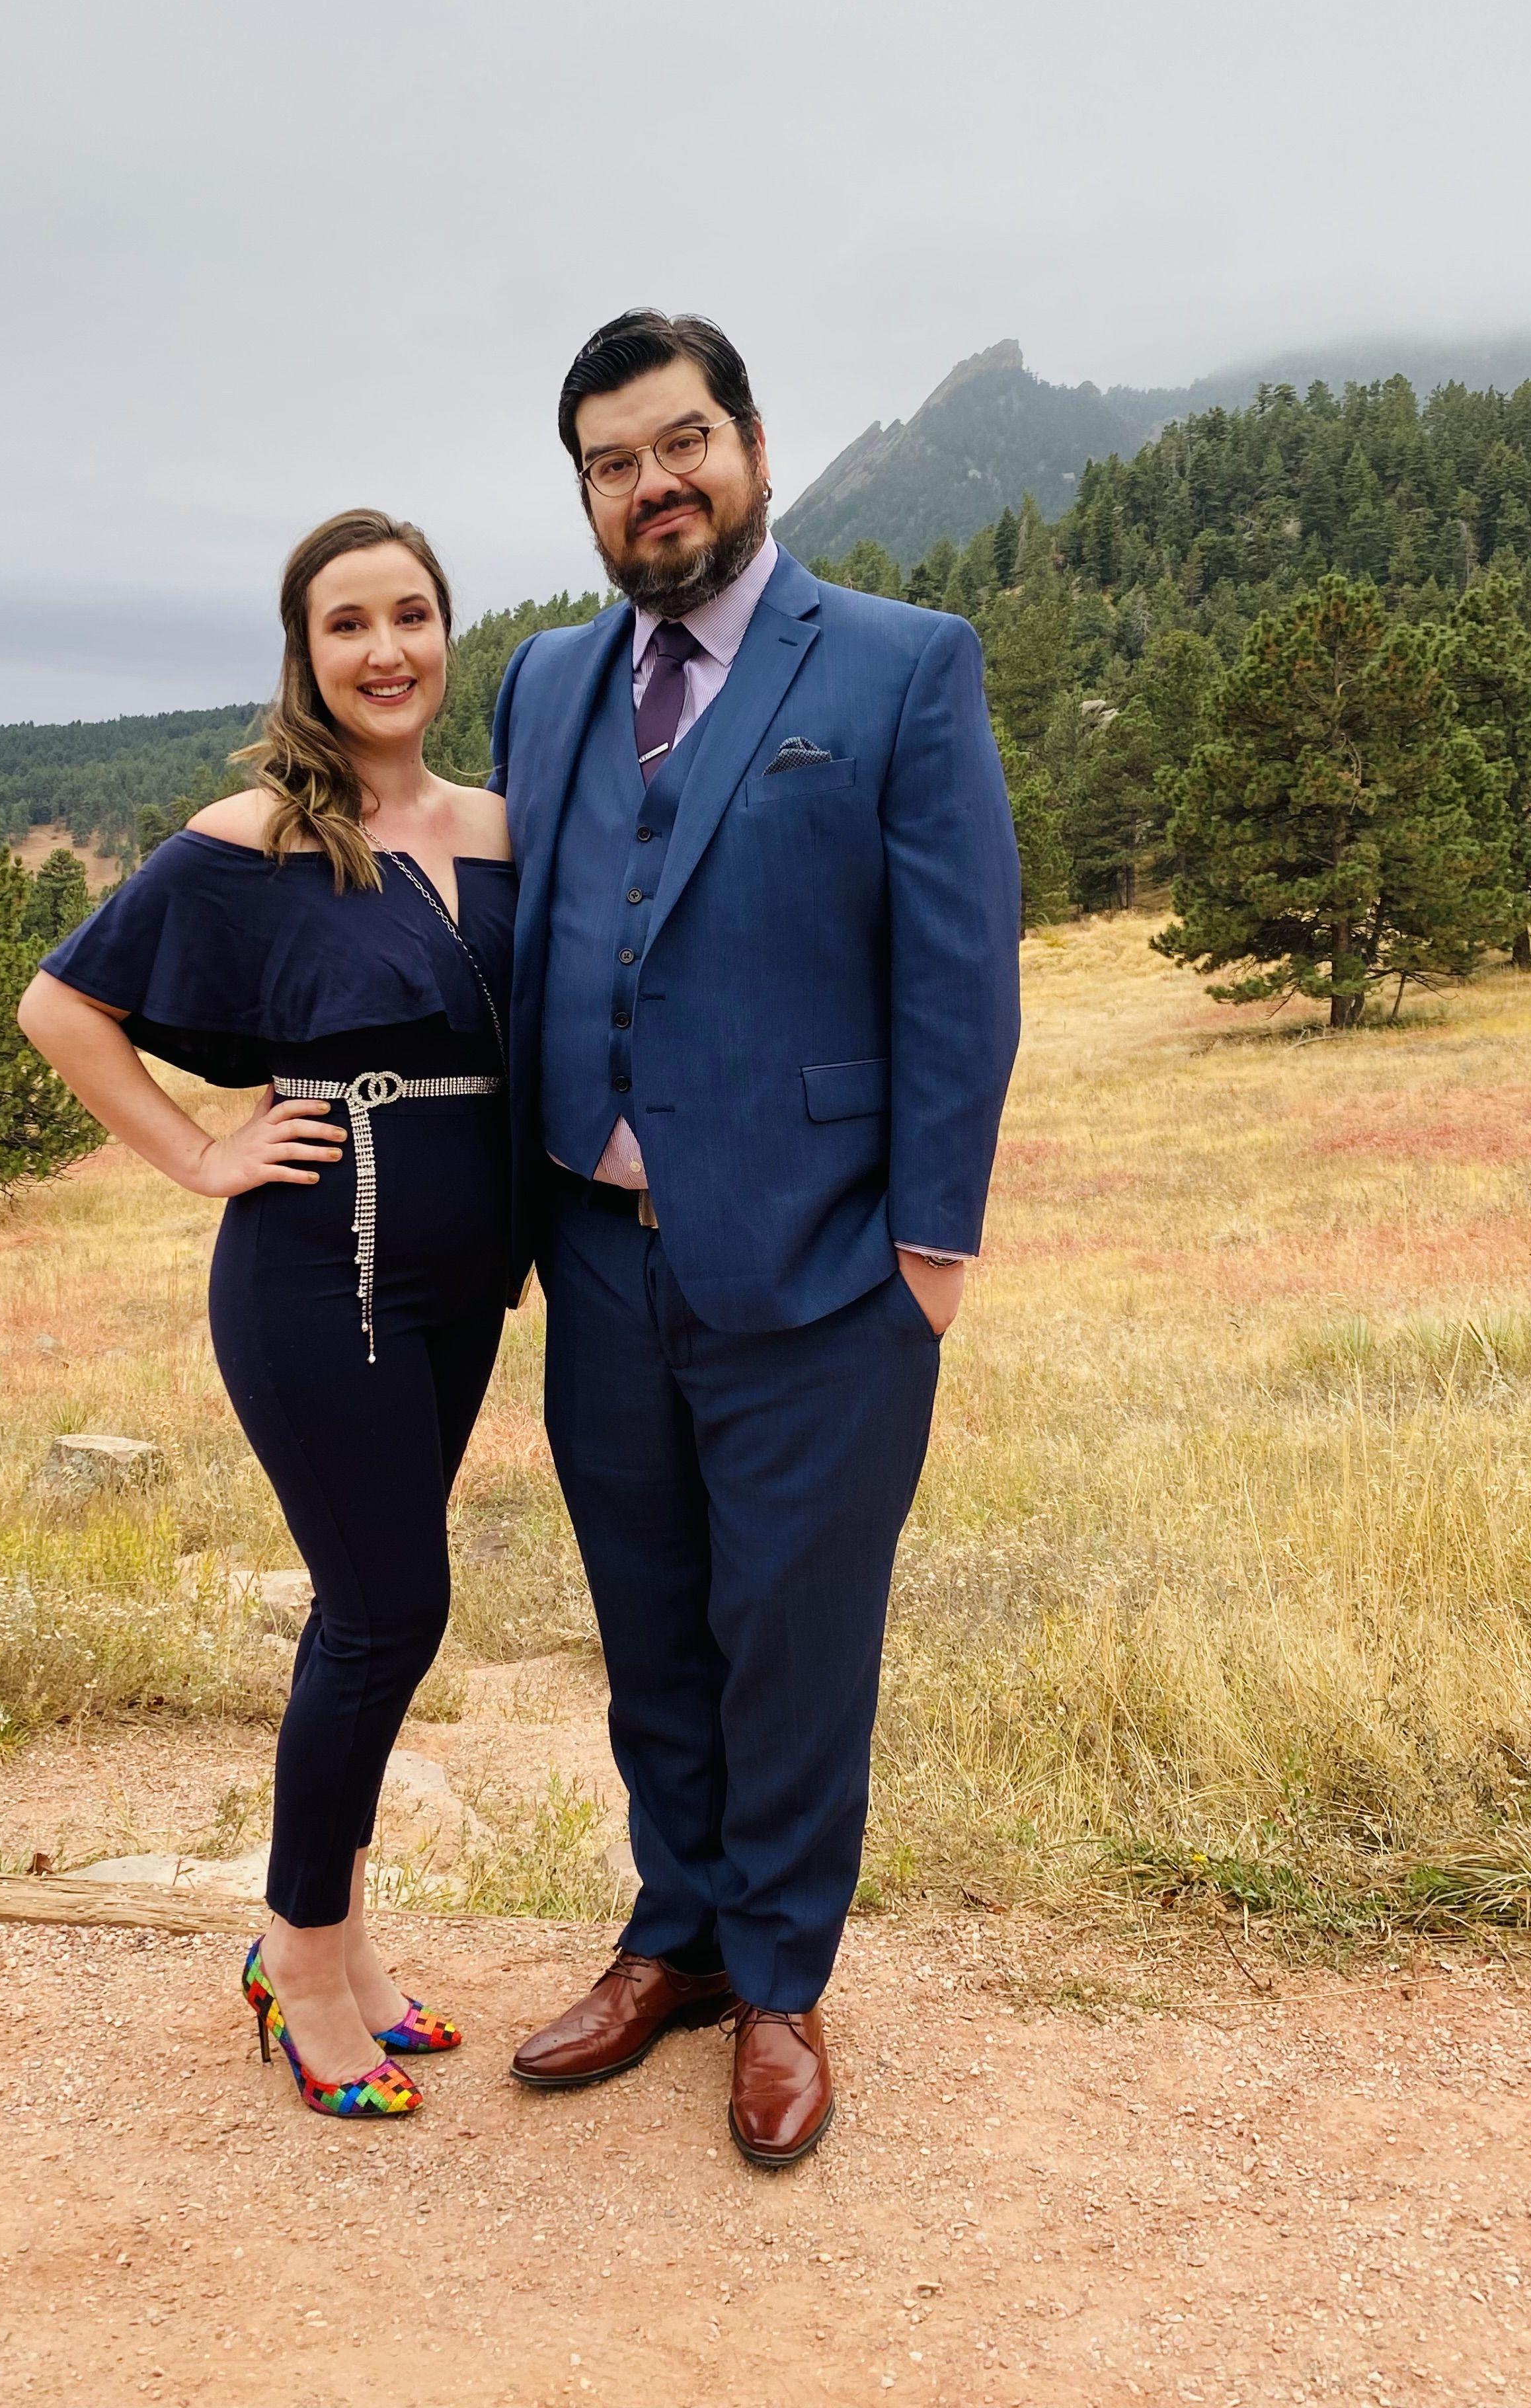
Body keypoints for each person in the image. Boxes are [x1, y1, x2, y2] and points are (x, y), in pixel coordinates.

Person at [490, 311, 1022, 2166]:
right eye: (613, 463)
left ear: (754, 443)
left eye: (682, 442)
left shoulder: (898, 663)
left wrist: (929, 1253)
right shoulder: (544, 683)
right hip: (600, 1257)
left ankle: (782, 1979)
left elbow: (960, 974)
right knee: (651, 1628)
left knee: (793, 1637)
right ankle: (680, 1937)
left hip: (825, 1264)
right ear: (585, 495)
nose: (655, 484)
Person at [17, 508, 514, 2122]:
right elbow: (60, 1006)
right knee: (387, 1608)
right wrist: (199, 1154)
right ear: (305, 653)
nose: (386, 650)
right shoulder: (256, 837)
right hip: (321, 1269)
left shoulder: (502, 826)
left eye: (411, 615)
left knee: (378, 1611)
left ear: (448, 632)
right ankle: (301, 1959)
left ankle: (341, 1941)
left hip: (466, 1285)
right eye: (347, 623)